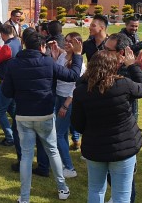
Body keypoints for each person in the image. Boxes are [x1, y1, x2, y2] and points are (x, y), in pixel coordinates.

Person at [3, 32, 83, 202]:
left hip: (24, 115)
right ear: (41, 47)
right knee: (52, 150)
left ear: (24, 44)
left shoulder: (14, 64)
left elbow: (7, 91)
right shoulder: (47, 62)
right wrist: (77, 55)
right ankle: (62, 188)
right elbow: (73, 75)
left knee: (26, 155)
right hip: (44, 114)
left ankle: (24, 197)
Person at [72, 49, 142, 203]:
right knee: (121, 195)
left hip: (96, 146)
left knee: (96, 189)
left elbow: (77, 124)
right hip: (122, 147)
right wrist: (133, 66)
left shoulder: (81, 91)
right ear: (113, 67)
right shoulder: (123, 84)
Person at [52, 32, 86, 179]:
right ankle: (64, 161)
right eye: (65, 41)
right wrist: (54, 58)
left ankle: (69, 168)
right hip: (59, 96)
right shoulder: (62, 56)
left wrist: (66, 105)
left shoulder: (80, 64)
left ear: (77, 44)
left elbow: (76, 86)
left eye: (69, 42)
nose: (66, 44)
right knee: (62, 133)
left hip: (68, 100)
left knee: (58, 134)